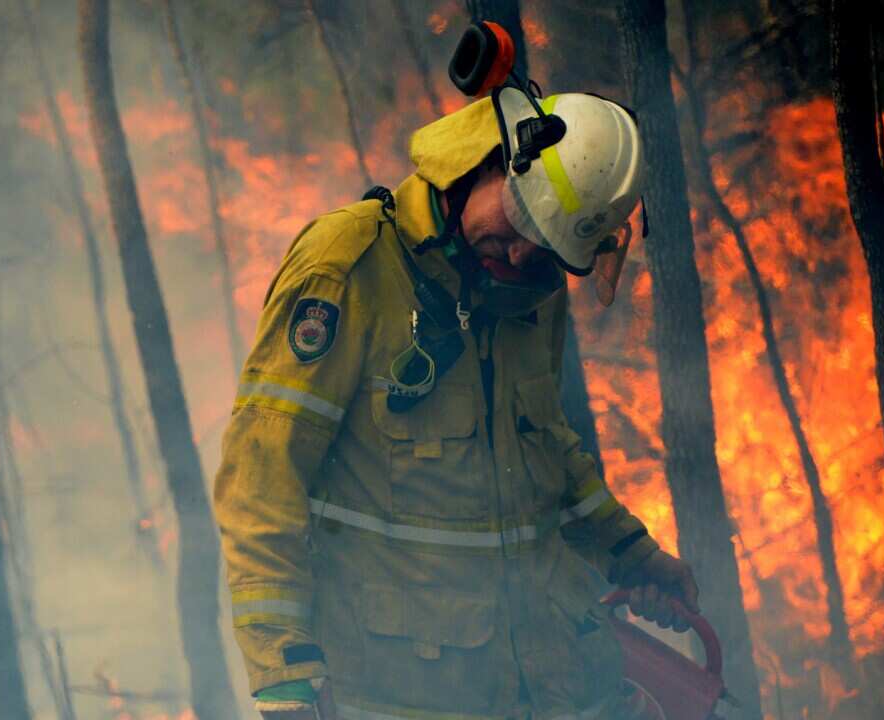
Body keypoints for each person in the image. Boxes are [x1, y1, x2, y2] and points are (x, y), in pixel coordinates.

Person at [213, 85, 700, 720]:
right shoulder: (349, 266)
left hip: (538, 684)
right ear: (495, 163)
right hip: (394, 692)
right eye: (524, 218)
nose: (523, 252)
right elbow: (261, 476)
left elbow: (545, 447)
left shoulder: (528, 294)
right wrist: (284, 681)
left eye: (548, 247)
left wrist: (629, 552)